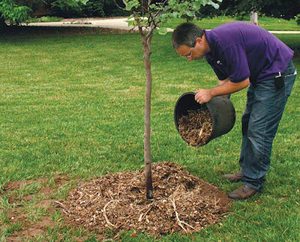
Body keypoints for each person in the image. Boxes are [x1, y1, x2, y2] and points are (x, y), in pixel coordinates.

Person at [172, 22, 297, 200]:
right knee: (248, 123)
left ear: (199, 40)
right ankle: (247, 171)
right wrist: (211, 109)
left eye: (189, 54)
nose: (189, 59)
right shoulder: (210, 52)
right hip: (261, 75)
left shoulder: (225, 43)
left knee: (259, 128)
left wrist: (210, 92)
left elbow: (242, 81)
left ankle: (254, 182)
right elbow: (226, 82)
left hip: (277, 73)